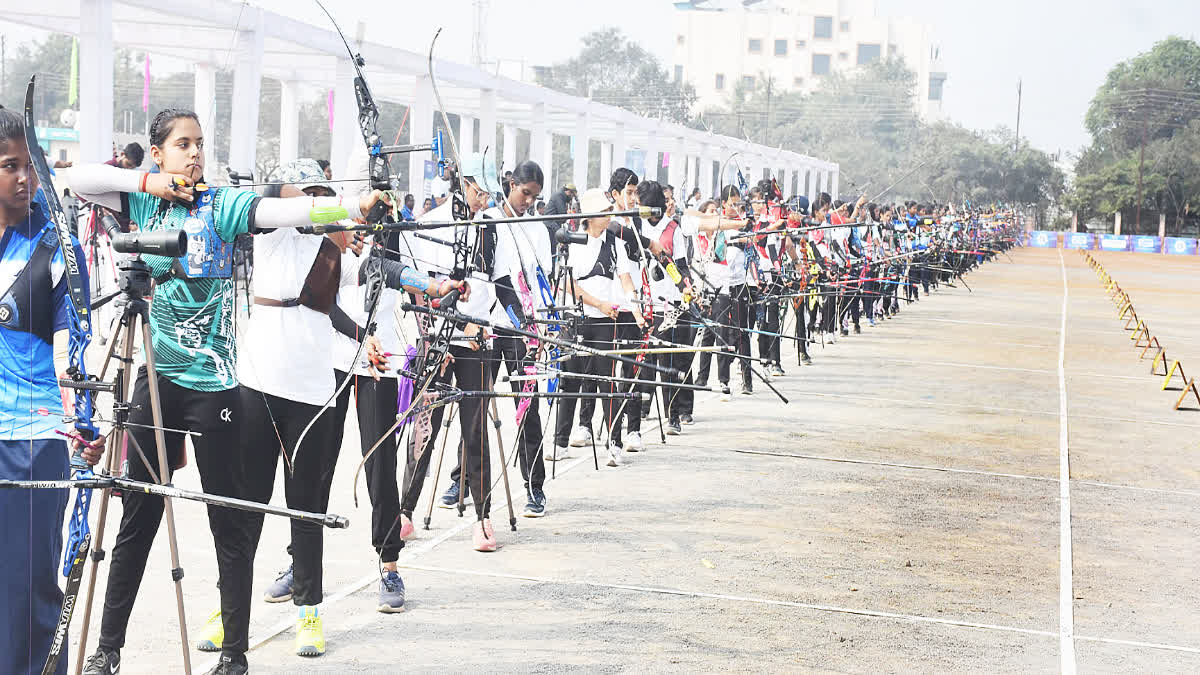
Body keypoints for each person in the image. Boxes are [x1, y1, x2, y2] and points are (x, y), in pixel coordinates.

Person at [68, 108, 388, 675]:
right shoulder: (140, 202)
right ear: (159, 151)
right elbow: (79, 178)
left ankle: (234, 654)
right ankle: (108, 649)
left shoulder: (222, 204)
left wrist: (352, 206)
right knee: (137, 514)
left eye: (199, 145)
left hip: (217, 384)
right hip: (158, 380)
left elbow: (283, 208)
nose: (194, 155)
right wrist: (148, 181)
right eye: (182, 145)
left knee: (230, 522)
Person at [232, 156, 463, 660]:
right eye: (310, 195)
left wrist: (434, 286)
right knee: (275, 493)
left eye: (323, 193)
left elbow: (383, 269)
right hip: (286, 379)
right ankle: (262, 589)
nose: (318, 204)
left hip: (337, 377)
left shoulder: (339, 253)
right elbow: (278, 206)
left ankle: (353, 584)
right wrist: (344, 206)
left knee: (343, 481)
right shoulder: (274, 232)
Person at [0, 107, 104, 675]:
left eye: (29, 167)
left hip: (34, 440)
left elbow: (79, 348)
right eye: (9, 166)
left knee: (31, 590)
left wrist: (85, 428)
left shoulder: (56, 248)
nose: (24, 178)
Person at [551, 187, 637, 466]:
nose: (608, 215)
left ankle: (614, 444)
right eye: (602, 212)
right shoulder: (573, 241)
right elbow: (567, 283)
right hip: (578, 319)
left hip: (606, 323)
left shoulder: (616, 243)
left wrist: (634, 306)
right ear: (589, 216)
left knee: (608, 383)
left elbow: (625, 278)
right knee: (570, 382)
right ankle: (560, 442)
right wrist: (598, 303)